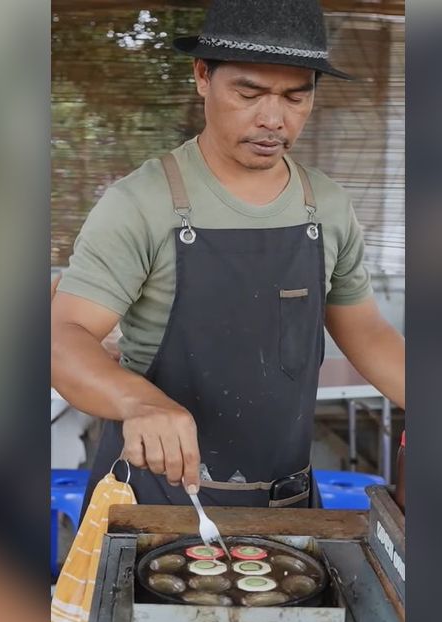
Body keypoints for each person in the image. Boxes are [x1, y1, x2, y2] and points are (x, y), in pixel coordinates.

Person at [51, 0, 406, 512]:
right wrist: (139, 402)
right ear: (202, 76)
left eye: (294, 97)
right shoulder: (141, 203)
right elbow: (64, 337)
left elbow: (366, 331)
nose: (272, 119)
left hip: (285, 505)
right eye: (249, 92)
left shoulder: (326, 207)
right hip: (155, 502)